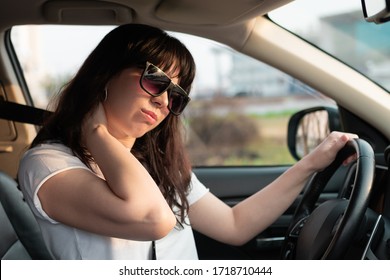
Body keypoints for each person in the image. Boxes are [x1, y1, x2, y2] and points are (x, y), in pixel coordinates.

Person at [17, 23, 357, 260]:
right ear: (104, 75)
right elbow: (153, 219)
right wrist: (96, 132)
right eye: (155, 80)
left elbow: (235, 226)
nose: (164, 102)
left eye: (176, 96)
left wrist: (313, 162)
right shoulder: (49, 164)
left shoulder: (154, 163)